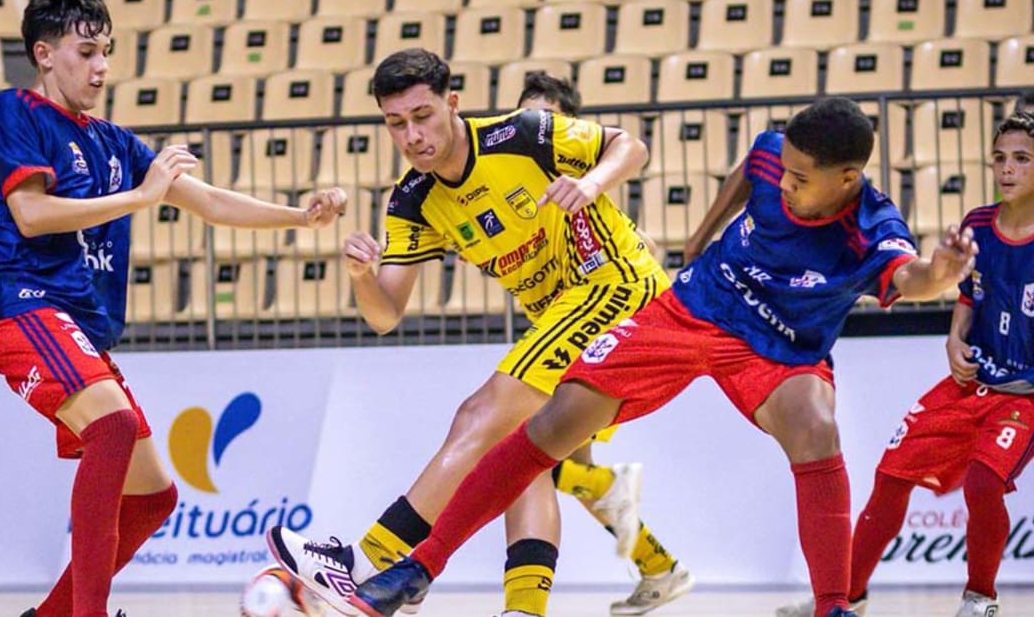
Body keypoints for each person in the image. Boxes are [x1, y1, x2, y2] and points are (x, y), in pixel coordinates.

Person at [347, 97, 979, 617]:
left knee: (817, 427)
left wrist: (943, 271)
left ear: (846, 179)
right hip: (692, 309)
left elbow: (914, 278)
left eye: (800, 178)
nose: (784, 183)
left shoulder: (870, 228)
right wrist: (698, 244)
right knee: (549, 427)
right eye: (783, 168)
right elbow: (745, 172)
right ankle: (419, 568)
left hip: (779, 344)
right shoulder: (770, 157)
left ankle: (834, 606)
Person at [0, 0, 346, 617]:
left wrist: (299, 216)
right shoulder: (16, 113)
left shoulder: (115, 141)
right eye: (85, 51)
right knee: (113, 428)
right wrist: (142, 197)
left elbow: (209, 201)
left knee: (152, 496)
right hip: (20, 301)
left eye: (106, 50)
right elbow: (30, 214)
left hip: (78, 324)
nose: (101, 66)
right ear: (44, 53)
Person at [267, 49, 687, 617]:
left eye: (423, 116)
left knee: (479, 417)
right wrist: (361, 277)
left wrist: (589, 185)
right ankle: (532, 602)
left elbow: (630, 145)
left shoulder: (524, 134)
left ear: (452, 104)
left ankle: (364, 561)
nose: (412, 135)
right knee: (521, 454)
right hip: (562, 314)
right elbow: (385, 314)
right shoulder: (414, 200)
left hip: (616, 286)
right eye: (397, 124)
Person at [778, 112, 1034, 617]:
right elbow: (968, 296)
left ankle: (980, 598)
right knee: (891, 476)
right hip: (969, 383)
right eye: (1000, 158)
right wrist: (953, 340)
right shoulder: (977, 225)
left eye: (1022, 159)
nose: (1007, 169)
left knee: (984, 485)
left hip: (1023, 397)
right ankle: (847, 595)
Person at [516, 71, 689, 614]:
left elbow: (640, 249)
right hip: (567, 331)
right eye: (526, 119)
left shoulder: (580, 179)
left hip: (601, 336)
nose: (534, 130)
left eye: (546, 120)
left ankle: (523, 602)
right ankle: (658, 566)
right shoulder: (527, 185)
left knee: (528, 456)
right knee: (563, 465)